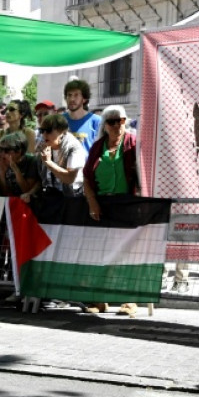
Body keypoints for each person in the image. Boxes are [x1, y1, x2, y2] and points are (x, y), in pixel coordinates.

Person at [81, 105, 140, 316]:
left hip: (127, 204)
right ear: (105, 125)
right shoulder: (98, 147)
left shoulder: (134, 144)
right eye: (112, 121)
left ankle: (129, 301)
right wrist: (92, 202)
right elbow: (87, 178)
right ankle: (99, 299)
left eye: (121, 120)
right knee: (101, 253)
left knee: (128, 253)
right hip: (102, 204)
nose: (117, 125)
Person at [37, 114, 85, 197]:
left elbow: (70, 178)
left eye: (48, 130)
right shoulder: (43, 144)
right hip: (52, 196)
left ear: (62, 131)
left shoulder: (73, 147)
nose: (44, 134)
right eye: (42, 130)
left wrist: (48, 162)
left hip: (73, 196)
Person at [0, 100, 35, 165]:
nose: (7, 112)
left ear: (21, 114)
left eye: (12, 109)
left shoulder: (28, 133)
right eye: (6, 110)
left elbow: (30, 161)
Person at [63, 79, 101, 152]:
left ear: (84, 99)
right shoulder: (60, 120)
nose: (72, 99)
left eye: (76, 95)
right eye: (69, 95)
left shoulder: (97, 121)